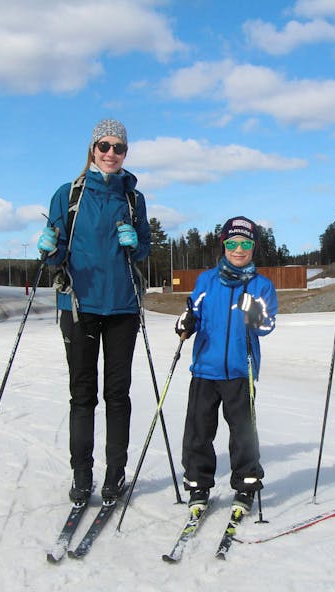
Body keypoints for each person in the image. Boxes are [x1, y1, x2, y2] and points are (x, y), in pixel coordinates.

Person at [37, 118, 150, 504]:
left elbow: (145, 249)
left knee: (118, 395)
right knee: (82, 395)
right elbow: (56, 254)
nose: (111, 154)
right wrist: (50, 247)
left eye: (119, 148)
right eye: (104, 146)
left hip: (123, 307)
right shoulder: (68, 195)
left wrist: (135, 244)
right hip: (79, 305)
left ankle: (114, 475)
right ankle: (81, 476)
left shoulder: (134, 198)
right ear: (92, 149)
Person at [174, 216, 278, 518]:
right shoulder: (206, 280)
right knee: (198, 431)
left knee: (243, 432)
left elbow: (266, 325)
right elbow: (191, 311)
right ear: (223, 245)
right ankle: (198, 484)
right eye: (232, 243)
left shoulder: (262, 285)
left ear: (254, 247)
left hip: (239, 370)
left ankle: (245, 483)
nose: (238, 249)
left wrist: (253, 311)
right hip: (205, 369)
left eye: (245, 243)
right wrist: (185, 322)